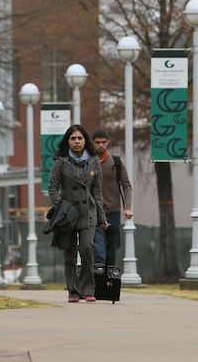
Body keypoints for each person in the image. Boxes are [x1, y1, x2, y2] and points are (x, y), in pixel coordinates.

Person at [48, 124, 107, 303]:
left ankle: (88, 289)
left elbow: (97, 192)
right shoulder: (60, 161)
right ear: (68, 141)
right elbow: (52, 188)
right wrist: (63, 207)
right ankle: (73, 291)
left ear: (85, 141)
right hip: (67, 214)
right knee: (70, 252)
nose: (76, 142)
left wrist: (102, 218)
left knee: (87, 248)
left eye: (79, 138)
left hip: (88, 212)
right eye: (73, 138)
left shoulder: (94, 161)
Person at [91, 129, 133, 267]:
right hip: (95, 212)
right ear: (93, 143)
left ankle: (108, 280)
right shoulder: (88, 163)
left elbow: (126, 185)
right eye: (97, 143)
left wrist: (127, 207)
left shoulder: (116, 162)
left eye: (103, 142)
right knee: (99, 250)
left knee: (112, 250)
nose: (100, 145)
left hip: (113, 212)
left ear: (108, 143)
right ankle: (98, 278)